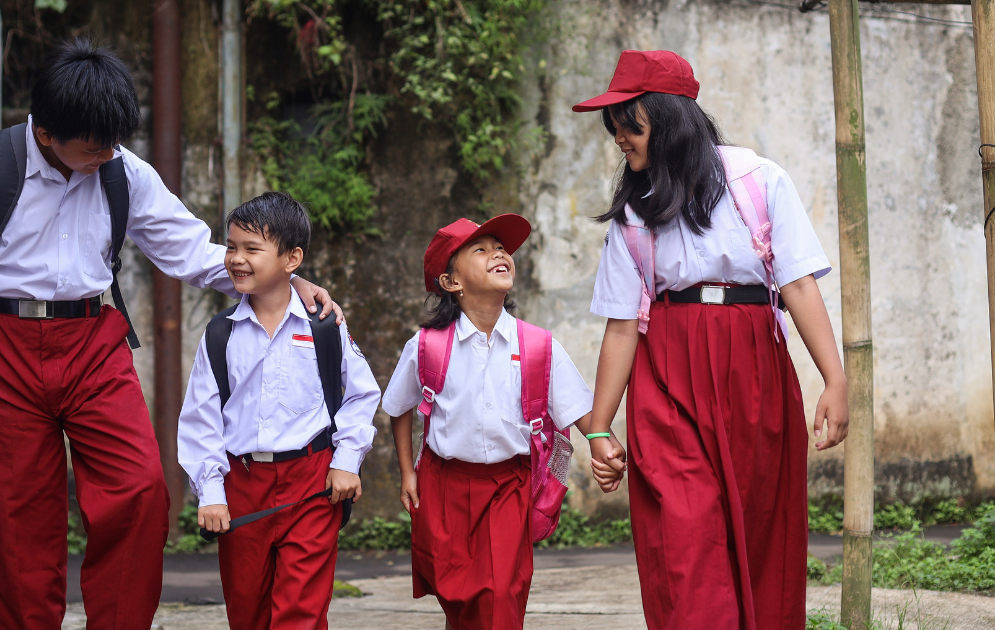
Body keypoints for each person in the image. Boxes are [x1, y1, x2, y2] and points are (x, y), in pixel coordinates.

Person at [0, 41, 338, 630]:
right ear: (46, 134)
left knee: (140, 491)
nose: (108, 155)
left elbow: (190, 250)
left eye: (115, 143)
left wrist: (284, 282)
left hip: (92, 344)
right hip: (0, 347)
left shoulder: (122, 170)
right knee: (19, 520)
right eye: (94, 147)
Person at [574, 50, 849, 630]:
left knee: (762, 534)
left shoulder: (760, 181)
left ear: (670, 121)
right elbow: (622, 326)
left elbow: (797, 285)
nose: (620, 138)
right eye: (615, 127)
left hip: (755, 373)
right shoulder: (633, 216)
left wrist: (835, 379)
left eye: (631, 125)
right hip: (667, 380)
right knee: (684, 541)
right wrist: (599, 427)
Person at [176, 192, 380, 630]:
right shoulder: (220, 334)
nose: (236, 259)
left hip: (311, 484)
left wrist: (346, 462)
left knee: (300, 613)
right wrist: (210, 491)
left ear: (293, 258)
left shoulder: (323, 325)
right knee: (247, 612)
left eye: (252, 248)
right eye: (231, 247)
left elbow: (362, 393)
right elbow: (200, 416)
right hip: (242, 484)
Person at [382, 215, 596, 630]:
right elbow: (398, 406)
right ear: (451, 282)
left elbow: (577, 409)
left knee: (501, 597)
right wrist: (409, 472)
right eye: (480, 249)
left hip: (507, 488)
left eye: (501, 247)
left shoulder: (537, 345)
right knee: (459, 599)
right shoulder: (427, 345)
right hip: (443, 485)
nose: (498, 253)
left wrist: (603, 439)